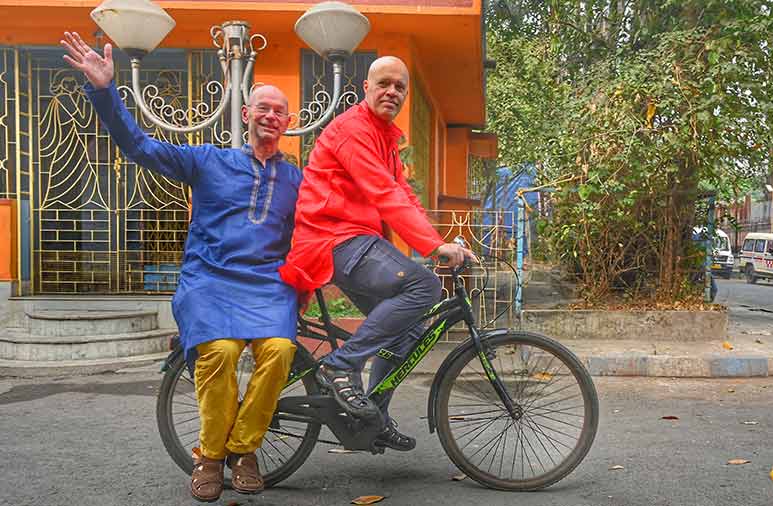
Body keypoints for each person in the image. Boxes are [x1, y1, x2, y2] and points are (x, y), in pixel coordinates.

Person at [61, 32, 302, 502]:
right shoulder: (208, 160)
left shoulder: (297, 178)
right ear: (247, 114)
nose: (270, 116)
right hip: (209, 280)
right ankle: (212, 457)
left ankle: (244, 449)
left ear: (288, 122)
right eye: (263, 108)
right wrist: (105, 92)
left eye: (279, 110)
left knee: (279, 351)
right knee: (221, 354)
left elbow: (331, 218)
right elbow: (140, 147)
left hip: (268, 285)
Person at [279, 56, 476, 451]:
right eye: (384, 83)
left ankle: (371, 417)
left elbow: (403, 195)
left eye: (400, 87)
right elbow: (383, 195)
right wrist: (434, 248)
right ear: (366, 88)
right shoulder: (354, 131)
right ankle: (341, 367)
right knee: (422, 286)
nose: (392, 92)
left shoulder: (384, 136)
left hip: (357, 241)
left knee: (409, 331)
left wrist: (438, 242)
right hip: (332, 239)